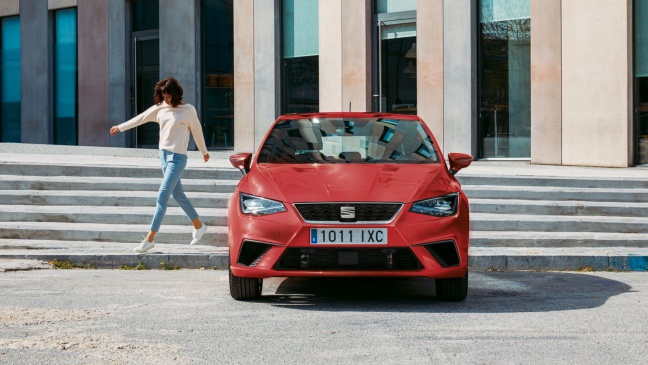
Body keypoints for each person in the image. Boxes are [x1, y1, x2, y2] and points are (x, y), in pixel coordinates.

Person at [110, 77, 210, 253]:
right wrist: (120, 127)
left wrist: (204, 152)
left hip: (178, 159)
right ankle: (199, 225)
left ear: (176, 93)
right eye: (163, 95)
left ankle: (149, 239)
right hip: (163, 157)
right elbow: (140, 118)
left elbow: (197, 131)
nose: (166, 98)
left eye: (169, 95)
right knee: (178, 195)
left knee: (162, 196)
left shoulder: (188, 110)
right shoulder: (160, 109)